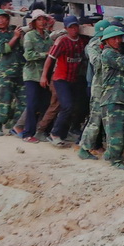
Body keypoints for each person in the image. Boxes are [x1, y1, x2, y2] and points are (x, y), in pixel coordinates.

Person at [79, 26, 124, 170]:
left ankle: (111, 154)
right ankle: (115, 159)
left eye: (119, 38)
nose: (117, 41)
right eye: (114, 38)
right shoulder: (108, 53)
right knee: (115, 133)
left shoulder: (116, 52)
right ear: (107, 40)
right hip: (112, 98)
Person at [41, 15, 88, 147]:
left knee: (73, 106)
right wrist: (44, 76)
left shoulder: (82, 41)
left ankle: (63, 132)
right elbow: (50, 58)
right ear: (66, 28)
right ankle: (54, 133)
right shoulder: (62, 41)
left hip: (73, 78)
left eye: (75, 26)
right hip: (60, 78)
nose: (73, 29)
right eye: (70, 27)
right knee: (66, 105)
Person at [19, 10, 53, 141]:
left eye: (44, 19)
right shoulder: (30, 36)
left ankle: (40, 131)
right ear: (34, 22)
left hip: (45, 75)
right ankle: (28, 133)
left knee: (44, 104)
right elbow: (28, 55)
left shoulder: (48, 35)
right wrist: (46, 54)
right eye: (39, 19)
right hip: (32, 75)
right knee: (32, 104)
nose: (42, 22)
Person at [0, 9, 25, 136]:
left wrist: (18, 35)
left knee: (24, 101)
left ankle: (15, 124)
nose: (2, 21)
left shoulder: (13, 30)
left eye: (4, 18)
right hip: (5, 73)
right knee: (5, 100)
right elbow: (4, 49)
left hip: (20, 71)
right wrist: (15, 37)